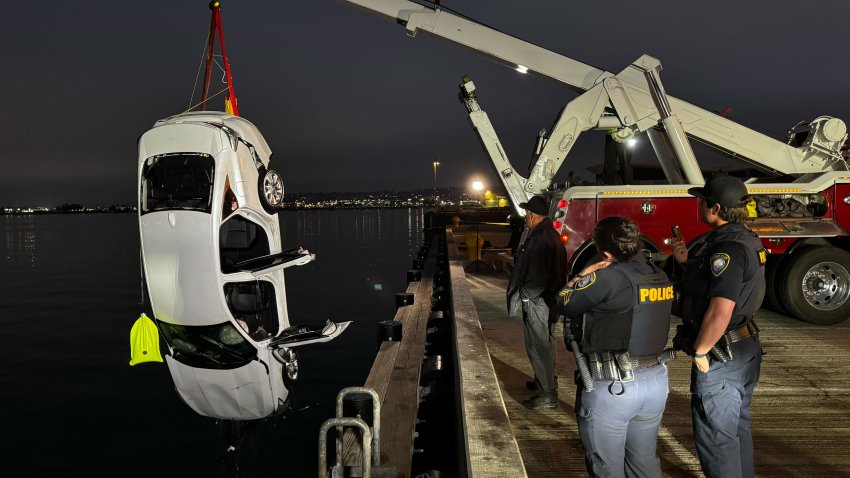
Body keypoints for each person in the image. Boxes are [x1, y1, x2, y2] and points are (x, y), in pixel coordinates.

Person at [558, 216, 674, 477]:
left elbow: (563, 301)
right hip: (655, 382)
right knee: (644, 464)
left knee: (607, 468)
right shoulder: (659, 274)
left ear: (606, 252)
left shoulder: (608, 278)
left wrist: (581, 276)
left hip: (614, 387)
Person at [670, 174, 766, 478]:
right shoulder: (746, 237)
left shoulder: (727, 249)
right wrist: (686, 264)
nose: (701, 206)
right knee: (736, 429)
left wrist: (700, 350)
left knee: (716, 438)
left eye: (704, 201)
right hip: (744, 347)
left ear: (716, 208)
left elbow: (721, 308)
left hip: (722, 355)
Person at [506, 195, 567, 409]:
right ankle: (545, 380)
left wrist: (524, 296)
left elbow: (537, 278)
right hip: (549, 300)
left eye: (526, 214)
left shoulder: (540, 239)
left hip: (538, 301)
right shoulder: (550, 234)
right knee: (547, 344)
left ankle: (547, 394)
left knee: (538, 346)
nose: (525, 218)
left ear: (532, 215)